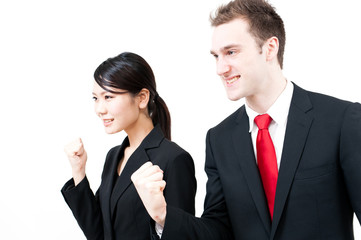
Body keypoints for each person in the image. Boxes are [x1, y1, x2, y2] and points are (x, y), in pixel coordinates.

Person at [131, 0, 361, 239]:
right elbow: (218, 231)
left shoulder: (341, 121)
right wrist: (163, 215)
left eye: (231, 52)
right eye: (216, 56)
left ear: (270, 48)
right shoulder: (219, 139)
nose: (221, 68)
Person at [61, 52, 196, 240]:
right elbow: (98, 233)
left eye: (108, 97)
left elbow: (184, 235)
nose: (99, 109)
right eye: (95, 98)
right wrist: (79, 171)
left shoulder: (174, 159)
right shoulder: (114, 156)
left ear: (142, 98)